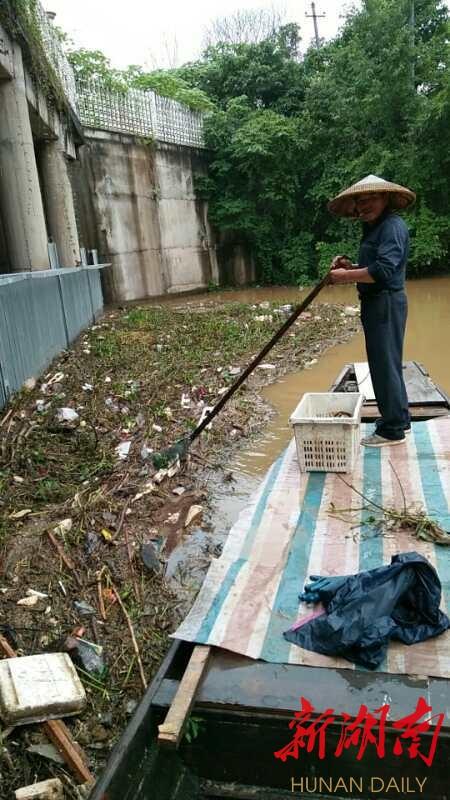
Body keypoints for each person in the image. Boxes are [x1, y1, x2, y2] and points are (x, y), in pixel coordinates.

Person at [327, 174, 416, 447]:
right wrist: (349, 267)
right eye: (359, 201)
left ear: (386, 198)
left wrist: (342, 277)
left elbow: (383, 271)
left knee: (382, 365)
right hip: (378, 302)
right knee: (388, 363)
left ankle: (391, 431)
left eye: (370, 199)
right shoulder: (375, 228)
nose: (364, 205)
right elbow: (373, 267)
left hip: (385, 303)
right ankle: (399, 420)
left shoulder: (392, 226)